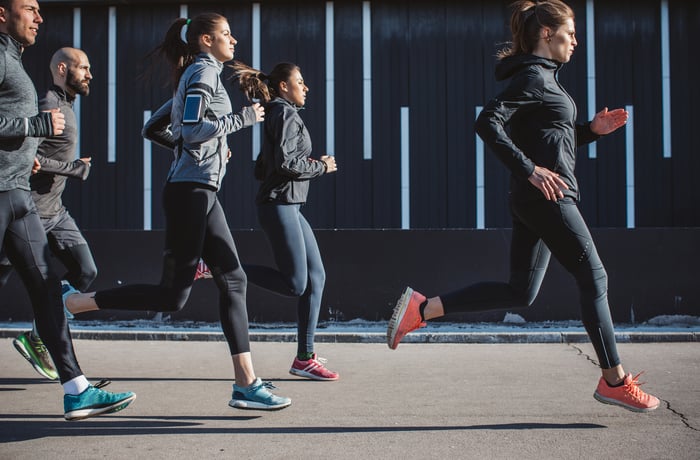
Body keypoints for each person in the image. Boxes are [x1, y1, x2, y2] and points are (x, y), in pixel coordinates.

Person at [386, 0, 660, 413]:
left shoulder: (543, 78)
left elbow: (546, 136)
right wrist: (531, 170)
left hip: (534, 198)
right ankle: (614, 381)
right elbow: (487, 122)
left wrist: (590, 131)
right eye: (569, 34)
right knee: (595, 277)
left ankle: (422, 308)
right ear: (546, 34)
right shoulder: (533, 77)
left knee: (521, 291)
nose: (575, 42)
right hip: (547, 197)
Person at [61, 13, 291, 410]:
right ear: (205, 40)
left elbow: (154, 128)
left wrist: (203, 150)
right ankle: (74, 303)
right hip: (191, 194)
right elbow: (191, 128)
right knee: (172, 297)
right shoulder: (203, 72)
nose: (233, 41)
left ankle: (246, 384)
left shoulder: (198, 74)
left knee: (233, 279)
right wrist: (242, 120)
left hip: (198, 189)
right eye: (225, 34)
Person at [0, 0, 135, 420]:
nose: (39, 17)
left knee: (47, 291)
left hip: (19, 195)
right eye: (29, 9)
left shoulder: (13, 61)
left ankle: (77, 390)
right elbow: (24, 132)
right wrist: (33, 127)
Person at [231, 61, 339, 381]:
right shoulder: (284, 113)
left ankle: (305, 358)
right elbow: (288, 164)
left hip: (289, 205)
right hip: (279, 205)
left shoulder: (279, 114)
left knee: (316, 277)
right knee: (296, 284)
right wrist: (321, 166)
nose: (306, 88)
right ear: (283, 86)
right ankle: (223, 268)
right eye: (300, 82)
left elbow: (263, 167)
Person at [2, 47, 96, 381]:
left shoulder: (67, 105)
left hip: (57, 212)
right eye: (83, 68)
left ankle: (37, 336)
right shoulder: (49, 105)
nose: (88, 74)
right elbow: (31, 160)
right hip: (32, 213)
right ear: (62, 68)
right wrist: (75, 168)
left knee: (85, 270)